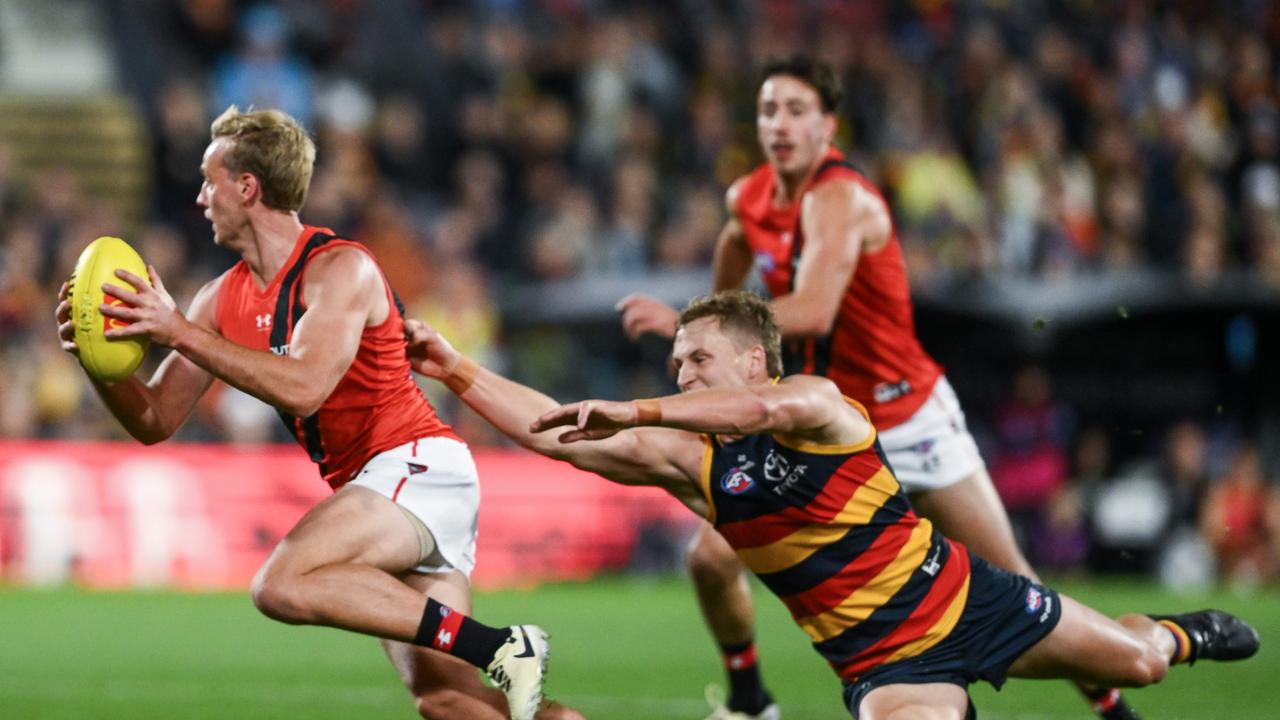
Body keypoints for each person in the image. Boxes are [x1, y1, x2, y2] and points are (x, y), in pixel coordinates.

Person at [407, 290, 1260, 720]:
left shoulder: (817, 400)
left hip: (972, 598)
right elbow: (554, 432)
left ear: (752, 358)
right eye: (673, 366)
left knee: (1140, 661)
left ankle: (1186, 632)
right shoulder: (694, 462)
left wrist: (638, 408)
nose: (679, 375)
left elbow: (763, 413)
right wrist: (455, 370)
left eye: (696, 359)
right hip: (886, 666)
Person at [615, 55, 1138, 719]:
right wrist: (693, 322)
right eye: (769, 109)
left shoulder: (843, 198)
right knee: (709, 562)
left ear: (828, 125)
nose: (780, 123)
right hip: (822, 427)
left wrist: (705, 333)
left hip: (905, 412)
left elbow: (814, 310)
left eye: (798, 110)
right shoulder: (747, 200)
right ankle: (749, 700)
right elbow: (732, 260)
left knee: (1017, 583)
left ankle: (1115, 708)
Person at [53, 106, 576, 720]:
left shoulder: (339, 268)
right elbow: (155, 420)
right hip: (379, 492)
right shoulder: (220, 297)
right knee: (449, 701)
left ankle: (499, 645)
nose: (199, 198)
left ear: (246, 186)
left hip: (417, 467)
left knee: (280, 583)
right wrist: (98, 361)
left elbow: (304, 387)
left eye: (208, 180)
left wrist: (178, 331)